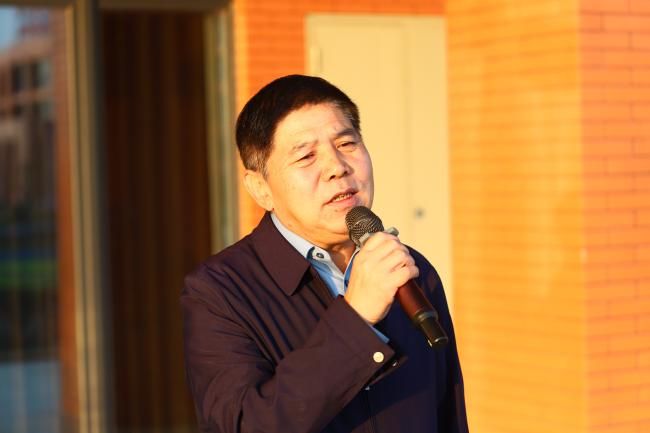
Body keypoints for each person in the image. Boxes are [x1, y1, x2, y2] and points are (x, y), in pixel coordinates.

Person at [181, 74, 469, 433]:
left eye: (347, 143)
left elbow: (448, 414)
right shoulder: (217, 292)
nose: (337, 167)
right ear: (260, 188)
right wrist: (356, 319)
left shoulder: (409, 270)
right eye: (306, 156)